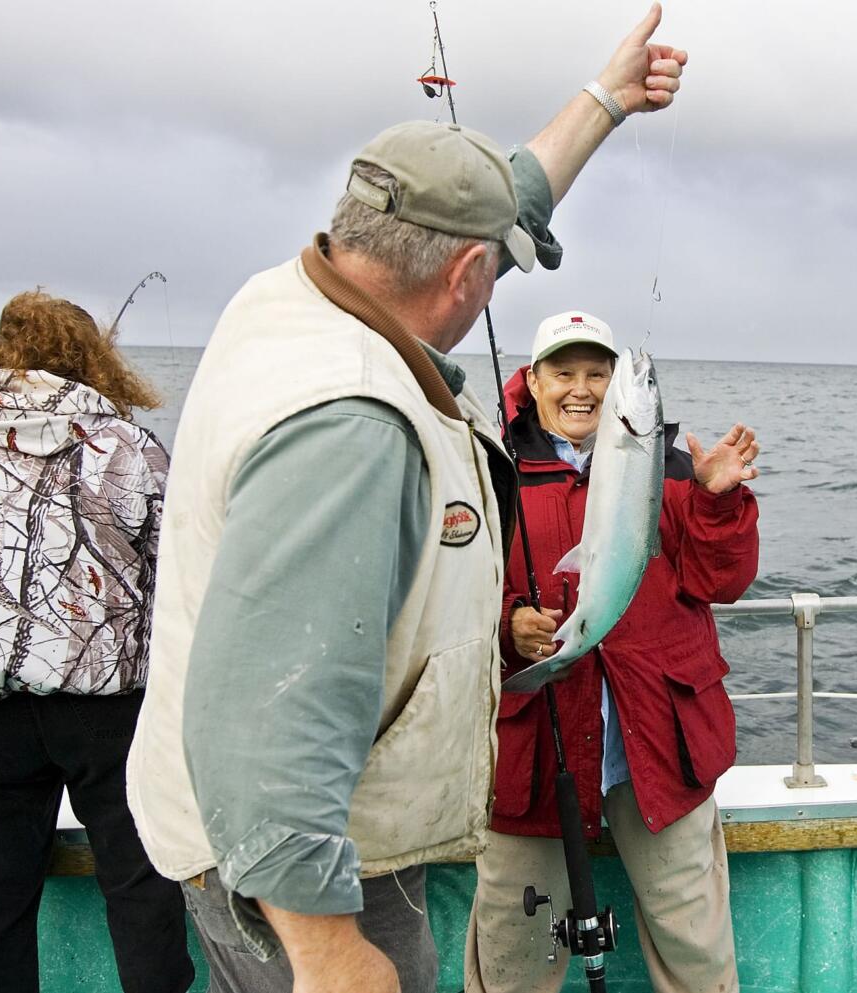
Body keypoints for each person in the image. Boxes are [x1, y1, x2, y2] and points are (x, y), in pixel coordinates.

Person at [125, 6, 688, 992]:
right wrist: (327, 945)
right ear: (467, 271)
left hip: (234, 837)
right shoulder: (351, 425)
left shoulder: (281, 297)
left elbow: (498, 196)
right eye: (497, 265)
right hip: (302, 868)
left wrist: (607, 101)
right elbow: (267, 705)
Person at [0, 291, 193, 993]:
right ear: (91, 358)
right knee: (142, 891)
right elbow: (172, 562)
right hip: (109, 708)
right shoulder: (127, 446)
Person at [462, 311, 759, 993]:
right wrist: (510, 626)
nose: (582, 389)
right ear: (531, 381)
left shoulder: (675, 470)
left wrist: (718, 501)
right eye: (563, 372)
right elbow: (451, 590)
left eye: (600, 373)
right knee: (514, 960)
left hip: (658, 749)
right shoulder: (492, 470)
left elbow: (726, 580)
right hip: (536, 754)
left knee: (698, 958)